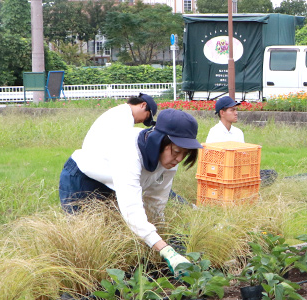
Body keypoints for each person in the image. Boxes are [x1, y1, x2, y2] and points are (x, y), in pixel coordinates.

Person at [59, 109, 203, 275]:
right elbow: (132, 211)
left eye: (185, 154)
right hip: (82, 179)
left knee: (111, 236)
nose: (179, 159)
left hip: (114, 182)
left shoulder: (170, 161)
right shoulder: (129, 153)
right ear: (159, 142)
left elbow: (156, 202)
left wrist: (160, 238)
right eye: (177, 152)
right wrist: (167, 251)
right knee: (85, 243)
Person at [81, 93, 158, 149]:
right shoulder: (125, 116)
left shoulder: (122, 111)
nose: (143, 120)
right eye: (147, 116)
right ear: (143, 105)